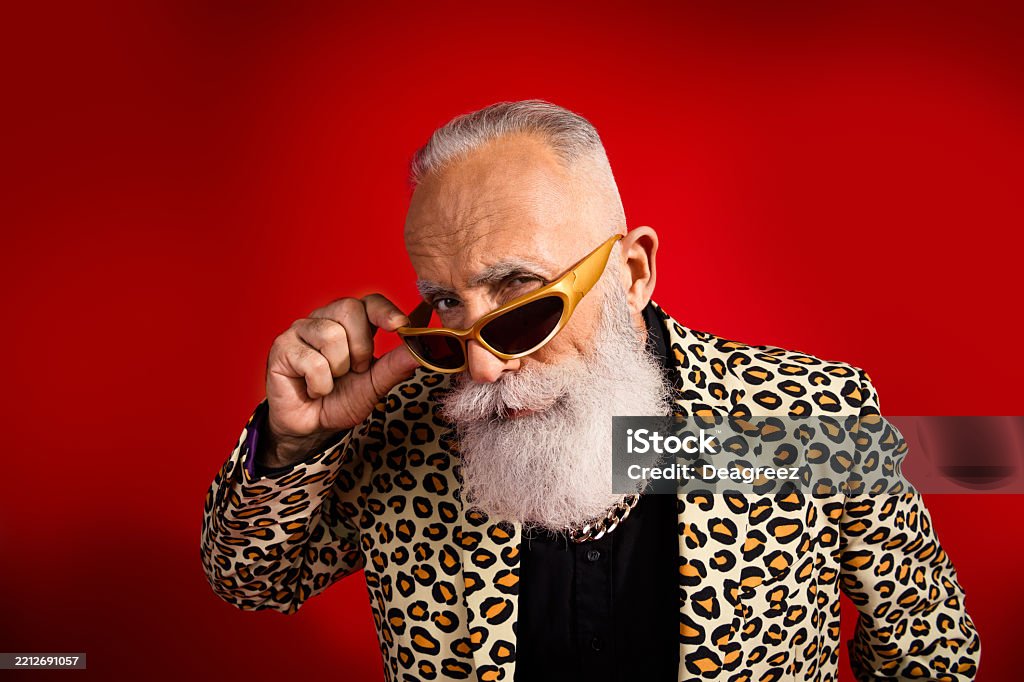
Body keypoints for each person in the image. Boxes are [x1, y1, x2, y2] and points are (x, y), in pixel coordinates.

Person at [200, 100, 980, 681]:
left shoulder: (801, 418)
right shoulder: (405, 423)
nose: (480, 366)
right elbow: (251, 580)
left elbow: (927, 649)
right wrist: (297, 440)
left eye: (521, 295)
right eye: (445, 305)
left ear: (632, 273)